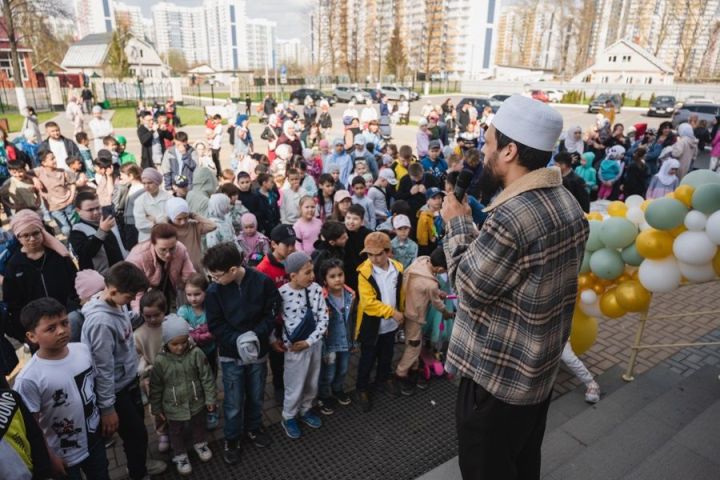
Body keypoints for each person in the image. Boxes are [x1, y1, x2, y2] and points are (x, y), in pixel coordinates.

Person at [440, 94, 588, 479]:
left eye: (488, 143)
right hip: (536, 377)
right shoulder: (566, 201)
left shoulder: (512, 217)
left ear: (508, 151)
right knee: (521, 464)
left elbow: (468, 286)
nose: (484, 152)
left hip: (496, 382)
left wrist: (456, 223)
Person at [81, 262, 168, 479]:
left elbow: (124, 322)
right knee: (137, 434)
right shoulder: (101, 323)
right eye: (130, 297)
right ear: (112, 290)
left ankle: (138, 465)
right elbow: (103, 369)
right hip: (116, 390)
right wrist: (107, 408)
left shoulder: (114, 304)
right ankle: (139, 473)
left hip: (128, 381)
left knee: (136, 433)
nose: (131, 302)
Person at [14, 298, 110, 480]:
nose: (62, 331)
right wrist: (49, 457)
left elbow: (93, 387)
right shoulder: (29, 378)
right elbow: (31, 424)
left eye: (64, 323)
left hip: (94, 438)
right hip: (62, 453)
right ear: (32, 336)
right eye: (51, 328)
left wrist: (106, 412)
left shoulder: (82, 350)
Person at [203, 243, 279, 464]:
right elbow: (215, 325)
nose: (214, 280)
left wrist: (257, 335)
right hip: (230, 355)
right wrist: (237, 340)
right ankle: (232, 437)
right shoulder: (214, 291)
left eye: (217, 275)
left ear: (233, 270)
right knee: (234, 400)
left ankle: (254, 428)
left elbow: (272, 311)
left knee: (256, 393)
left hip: (258, 353)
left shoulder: (262, 282)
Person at [149, 315, 216, 475]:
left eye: (183, 342)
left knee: (199, 424)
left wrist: (210, 398)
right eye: (174, 344)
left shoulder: (196, 353)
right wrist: (157, 408)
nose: (180, 347)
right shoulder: (160, 361)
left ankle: (200, 443)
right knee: (175, 431)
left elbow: (206, 377)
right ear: (166, 342)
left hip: (196, 400)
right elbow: (156, 386)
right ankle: (180, 454)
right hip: (173, 405)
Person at [3, 210, 79, 342]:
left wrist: (73, 308)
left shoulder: (58, 256)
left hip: (67, 320)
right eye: (25, 235)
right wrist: (25, 333)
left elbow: (76, 284)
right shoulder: (14, 266)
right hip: (39, 330)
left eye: (35, 233)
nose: (32, 239)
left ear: (42, 231)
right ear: (18, 237)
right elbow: (13, 304)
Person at [278, 252, 329, 438]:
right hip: (294, 349)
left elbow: (324, 318)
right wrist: (278, 341)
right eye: (307, 272)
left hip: (313, 344)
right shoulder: (281, 293)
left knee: (312, 380)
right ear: (292, 275)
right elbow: (273, 320)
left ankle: (306, 409)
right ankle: (289, 416)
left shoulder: (315, 289)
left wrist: (309, 341)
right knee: (294, 383)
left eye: (312, 271)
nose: (312, 276)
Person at [354, 232, 405, 412]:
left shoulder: (398, 269)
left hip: (390, 326)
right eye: (370, 254)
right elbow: (368, 304)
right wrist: (392, 312)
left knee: (386, 355)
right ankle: (361, 388)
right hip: (371, 326)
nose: (374, 259)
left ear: (388, 251)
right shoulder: (364, 273)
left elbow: (402, 293)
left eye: (379, 254)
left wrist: (401, 312)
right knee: (367, 359)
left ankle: (383, 379)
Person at [395, 248, 453, 396]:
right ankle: (401, 374)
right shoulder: (431, 283)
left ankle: (414, 368)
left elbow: (423, 288)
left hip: (406, 307)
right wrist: (447, 313)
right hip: (415, 315)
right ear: (439, 268)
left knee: (413, 342)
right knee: (413, 346)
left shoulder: (421, 261)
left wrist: (437, 292)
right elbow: (437, 303)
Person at [127, 223, 196, 312]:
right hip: (145, 293)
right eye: (163, 250)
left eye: (172, 248)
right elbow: (136, 292)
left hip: (170, 289)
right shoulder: (138, 257)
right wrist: (139, 314)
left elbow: (189, 277)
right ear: (153, 244)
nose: (168, 254)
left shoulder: (180, 249)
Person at [316, 258, 354, 414]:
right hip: (329, 343)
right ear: (324, 279)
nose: (338, 279)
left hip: (345, 340)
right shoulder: (321, 298)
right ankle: (324, 396)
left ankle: (338, 390)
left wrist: (353, 340)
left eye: (340, 274)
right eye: (332, 276)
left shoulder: (350, 294)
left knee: (343, 369)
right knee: (328, 372)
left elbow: (352, 319)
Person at [70, 190, 128, 273]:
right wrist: (102, 232)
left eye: (98, 208)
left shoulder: (109, 220)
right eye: (90, 210)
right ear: (78, 211)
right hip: (102, 277)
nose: (96, 212)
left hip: (122, 269)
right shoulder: (77, 231)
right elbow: (85, 254)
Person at [166, 197, 217, 273]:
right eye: (179, 219)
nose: (183, 222)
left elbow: (212, 226)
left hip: (196, 267)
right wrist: (166, 221)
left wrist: (194, 215)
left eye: (186, 218)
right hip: (179, 268)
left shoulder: (194, 226)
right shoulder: (168, 229)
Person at [133, 168, 171, 243]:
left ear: (157, 183)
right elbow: (140, 225)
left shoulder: (169, 198)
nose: (146, 186)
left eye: (150, 183)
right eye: (144, 183)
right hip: (146, 240)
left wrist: (154, 221)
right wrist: (161, 220)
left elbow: (173, 219)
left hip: (166, 239)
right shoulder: (139, 201)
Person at [343, 204, 371, 292]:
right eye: (348, 218)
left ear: (362, 221)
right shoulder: (340, 232)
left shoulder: (368, 235)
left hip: (363, 272)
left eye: (355, 219)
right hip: (345, 272)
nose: (351, 222)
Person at [417, 187, 445, 256]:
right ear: (427, 201)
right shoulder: (424, 216)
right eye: (434, 198)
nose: (438, 200)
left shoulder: (445, 210)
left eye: (439, 198)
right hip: (432, 249)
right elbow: (422, 241)